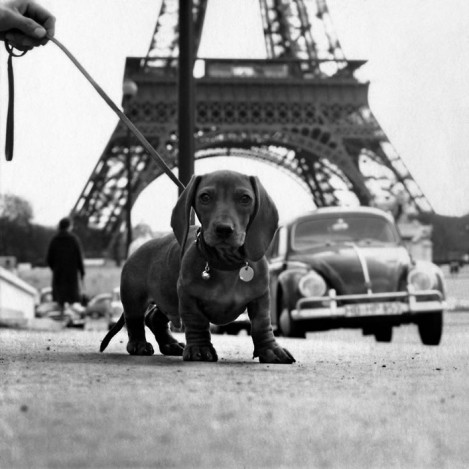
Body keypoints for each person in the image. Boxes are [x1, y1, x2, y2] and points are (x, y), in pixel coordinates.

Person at [46, 217, 85, 318]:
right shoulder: (74, 239)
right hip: (71, 274)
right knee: (71, 298)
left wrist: (55, 268)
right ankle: (70, 317)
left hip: (58, 273)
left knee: (60, 298)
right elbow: (79, 257)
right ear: (69, 226)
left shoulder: (54, 240)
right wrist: (82, 271)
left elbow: (49, 258)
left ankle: (61, 314)